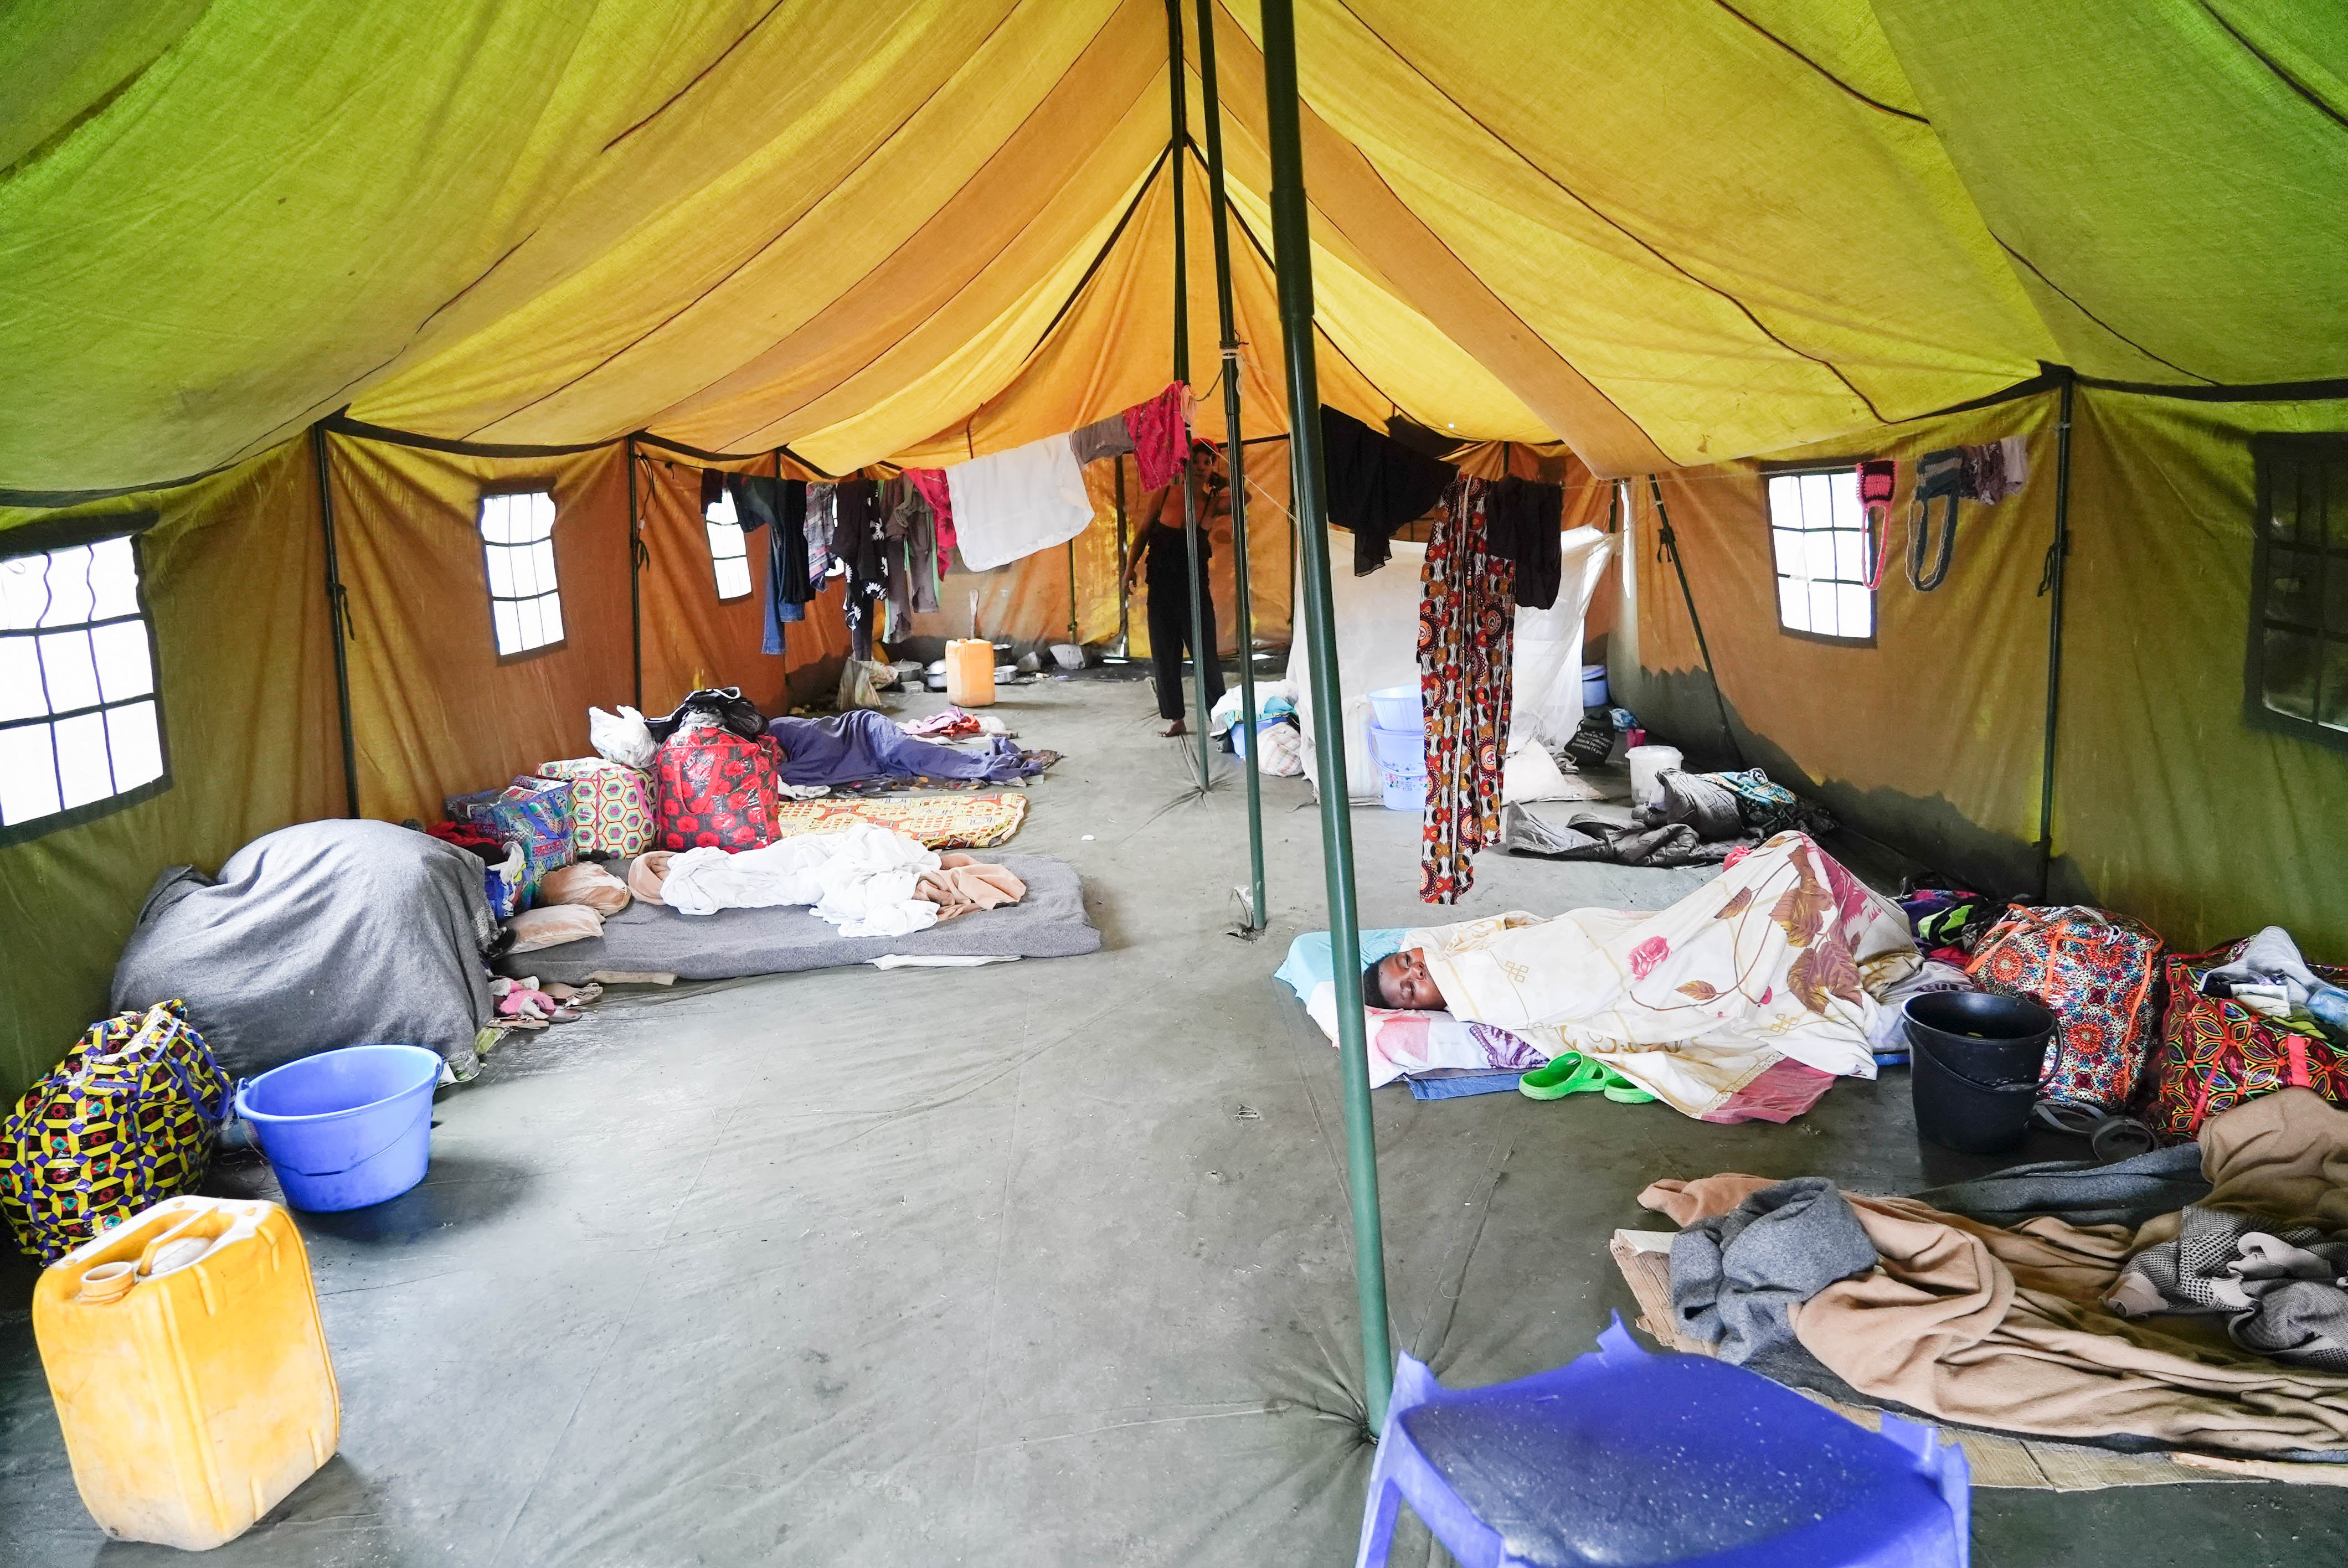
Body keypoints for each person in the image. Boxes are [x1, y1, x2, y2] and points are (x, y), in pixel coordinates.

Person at [1357, 833, 1922, 1120]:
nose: (1415, 971)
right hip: (1641, 973)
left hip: (1626, 937)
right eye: (1409, 989)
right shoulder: (1486, 992)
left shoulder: (1460, 950)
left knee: (1781, 868)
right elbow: (1580, 982)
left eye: (1405, 964)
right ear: (1425, 1007)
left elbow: (1479, 935)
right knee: (1785, 867)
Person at [1126, 446, 1228, 736]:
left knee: (1205, 655)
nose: (1200, 467)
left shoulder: (1212, 502)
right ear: (1184, 466)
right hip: (1160, 588)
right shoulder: (1164, 495)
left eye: (1207, 463)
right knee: (1165, 654)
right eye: (1195, 461)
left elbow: (1243, 500)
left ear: (1212, 468)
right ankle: (1176, 718)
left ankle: (1219, 720)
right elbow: (1143, 534)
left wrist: (1227, 482)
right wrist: (1128, 569)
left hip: (1194, 590)